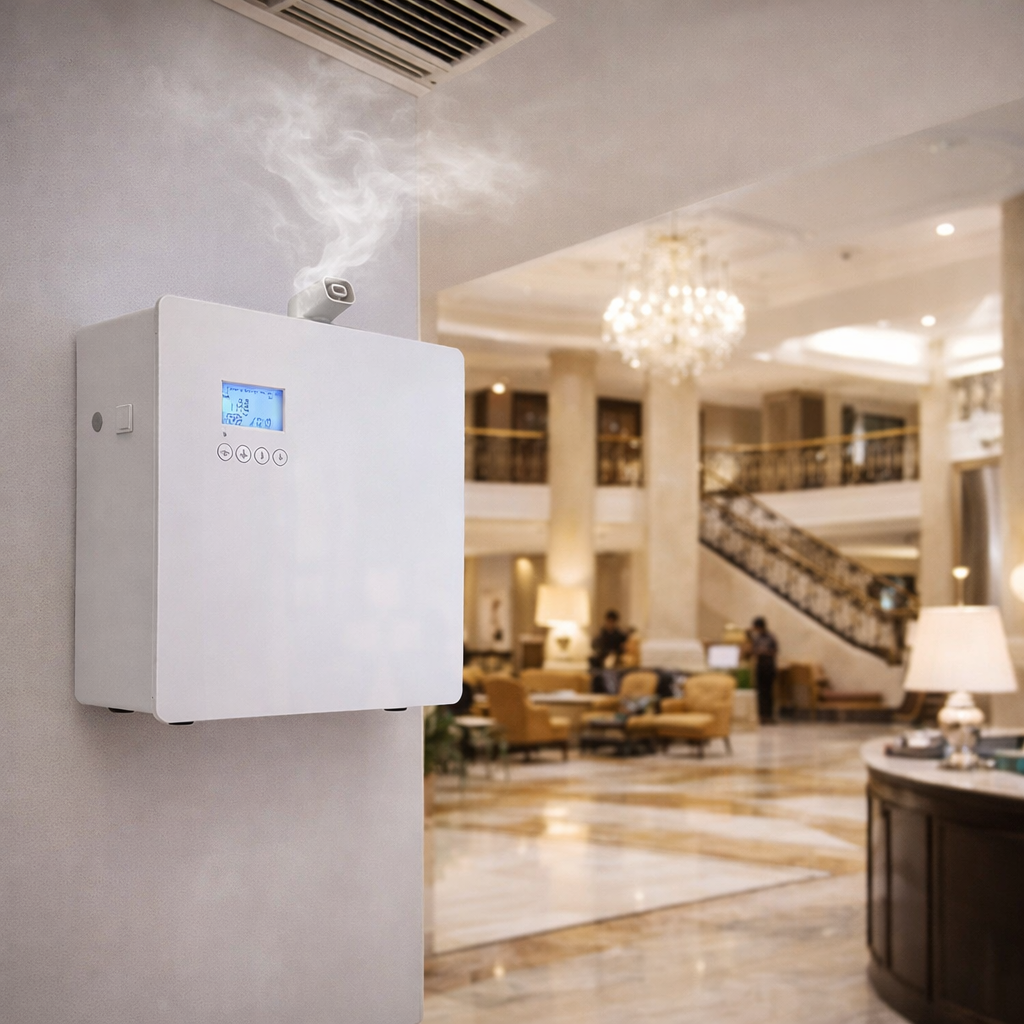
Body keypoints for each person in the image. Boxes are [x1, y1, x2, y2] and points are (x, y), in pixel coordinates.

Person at [745, 616, 779, 724]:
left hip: (768, 666)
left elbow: (774, 651)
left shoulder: (770, 637)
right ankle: (761, 715)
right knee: (760, 692)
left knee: (768, 692)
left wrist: (763, 652)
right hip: (760, 666)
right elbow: (752, 649)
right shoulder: (757, 638)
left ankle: (769, 716)